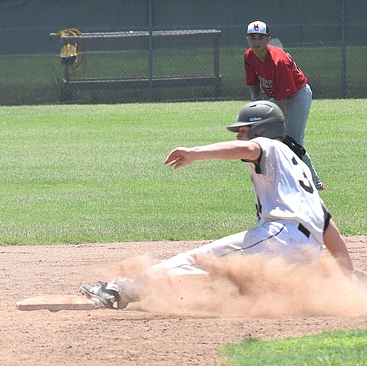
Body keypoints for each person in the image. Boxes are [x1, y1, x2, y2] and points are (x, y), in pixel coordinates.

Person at [80, 101, 353, 309]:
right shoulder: (298, 172)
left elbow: (248, 150)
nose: (238, 137)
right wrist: (347, 276)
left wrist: (194, 153)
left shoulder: (268, 146)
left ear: (261, 130)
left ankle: (118, 290)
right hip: (306, 253)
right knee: (232, 279)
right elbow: (328, 226)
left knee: (199, 260)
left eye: (242, 131)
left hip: (281, 238)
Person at [244, 20, 324, 190]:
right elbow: (252, 82)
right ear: (247, 39)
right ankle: (282, 179)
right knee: (272, 139)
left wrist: (274, 125)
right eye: (252, 37)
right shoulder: (249, 56)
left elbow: (283, 100)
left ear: (268, 39)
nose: (256, 42)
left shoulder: (277, 61)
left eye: (260, 37)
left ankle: (315, 184)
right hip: (278, 96)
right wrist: (255, 103)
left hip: (297, 94)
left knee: (291, 141)